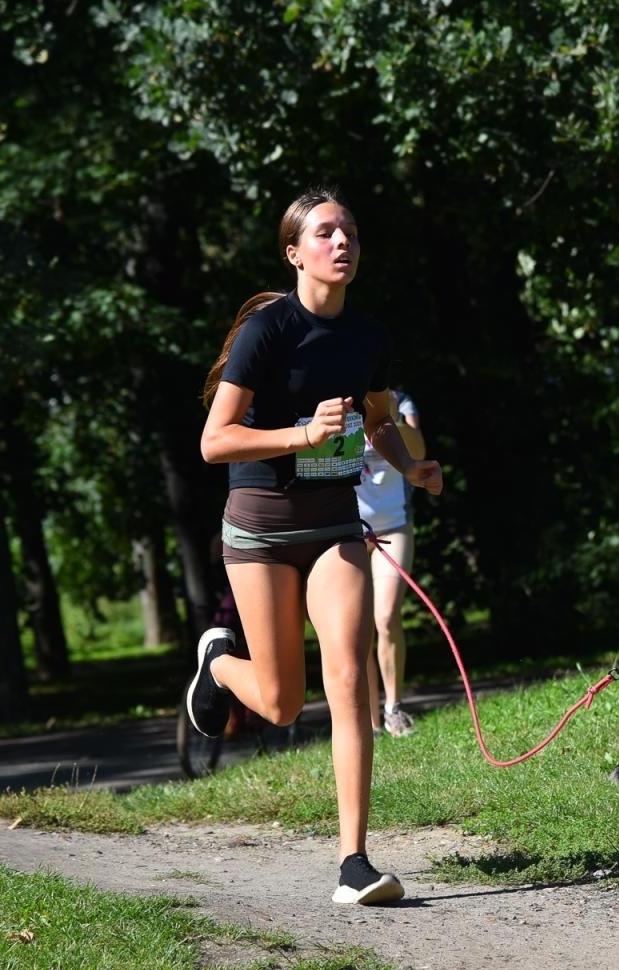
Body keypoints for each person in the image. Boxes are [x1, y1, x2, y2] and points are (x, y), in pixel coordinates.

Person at [185, 187, 443, 905]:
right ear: (295, 252)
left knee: (350, 682)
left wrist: (409, 466)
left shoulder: (367, 335)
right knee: (279, 704)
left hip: (334, 524)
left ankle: (353, 862)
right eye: (327, 232)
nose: (343, 243)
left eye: (351, 232)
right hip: (261, 529)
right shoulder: (266, 332)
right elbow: (215, 441)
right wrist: (301, 434)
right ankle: (217, 664)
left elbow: (379, 420)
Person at [356, 388, 423, 737]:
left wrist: (393, 417)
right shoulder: (342, 398)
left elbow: (418, 451)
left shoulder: (400, 400)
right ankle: (368, 718)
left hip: (394, 524)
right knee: (358, 625)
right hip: (350, 529)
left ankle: (393, 708)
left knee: (385, 616)